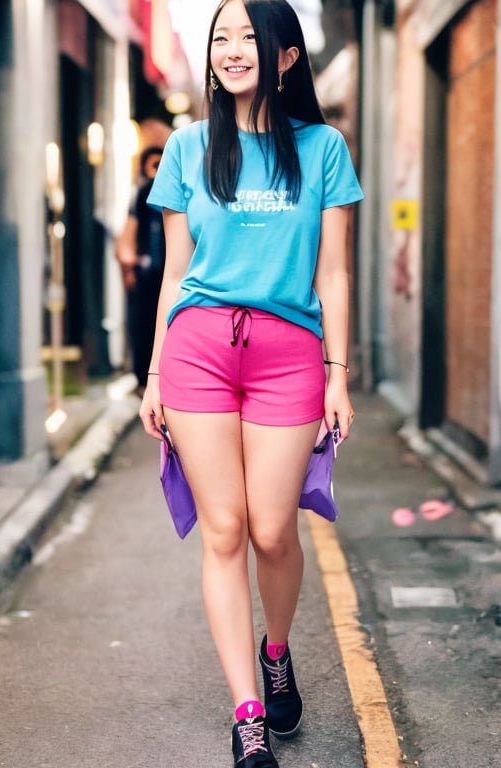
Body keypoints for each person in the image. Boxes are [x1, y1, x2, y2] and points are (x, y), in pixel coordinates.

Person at [140, 1, 363, 765]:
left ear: (287, 57)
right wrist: (155, 372)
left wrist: (338, 371)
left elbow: (333, 270)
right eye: (222, 39)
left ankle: (276, 651)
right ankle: (248, 716)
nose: (233, 51)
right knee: (225, 530)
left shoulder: (324, 148)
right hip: (200, 347)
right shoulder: (189, 147)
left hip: (287, 353)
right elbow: (175, 273)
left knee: (273, 529)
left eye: (250, 39)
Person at [115, 145, 166, 393]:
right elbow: (127, 233)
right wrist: (128, 266)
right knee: (142, 325)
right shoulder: (141, 195)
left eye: (161, 165)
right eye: (153, 166)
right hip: (147, 272)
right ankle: (144, 376)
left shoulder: (174, 191)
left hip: (169, 271)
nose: (157, 171)